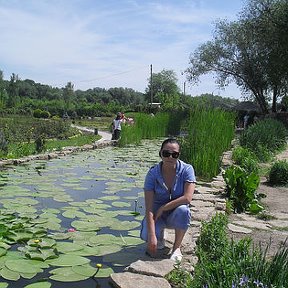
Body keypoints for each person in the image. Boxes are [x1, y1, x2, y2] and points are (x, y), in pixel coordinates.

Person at [140, 138, 196, 262]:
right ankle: (159, 237)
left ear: (178, 155)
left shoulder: (187, 170)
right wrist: (152, 235)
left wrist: (164, 207)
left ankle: (176, 248)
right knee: (146, 235)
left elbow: (187, 198)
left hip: (175, 213)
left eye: (174, 154)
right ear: (160, 153)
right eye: (166, 153)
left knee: (183, 210)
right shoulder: (152, 174)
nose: (170, 157)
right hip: (157, 216)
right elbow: (149, 208)